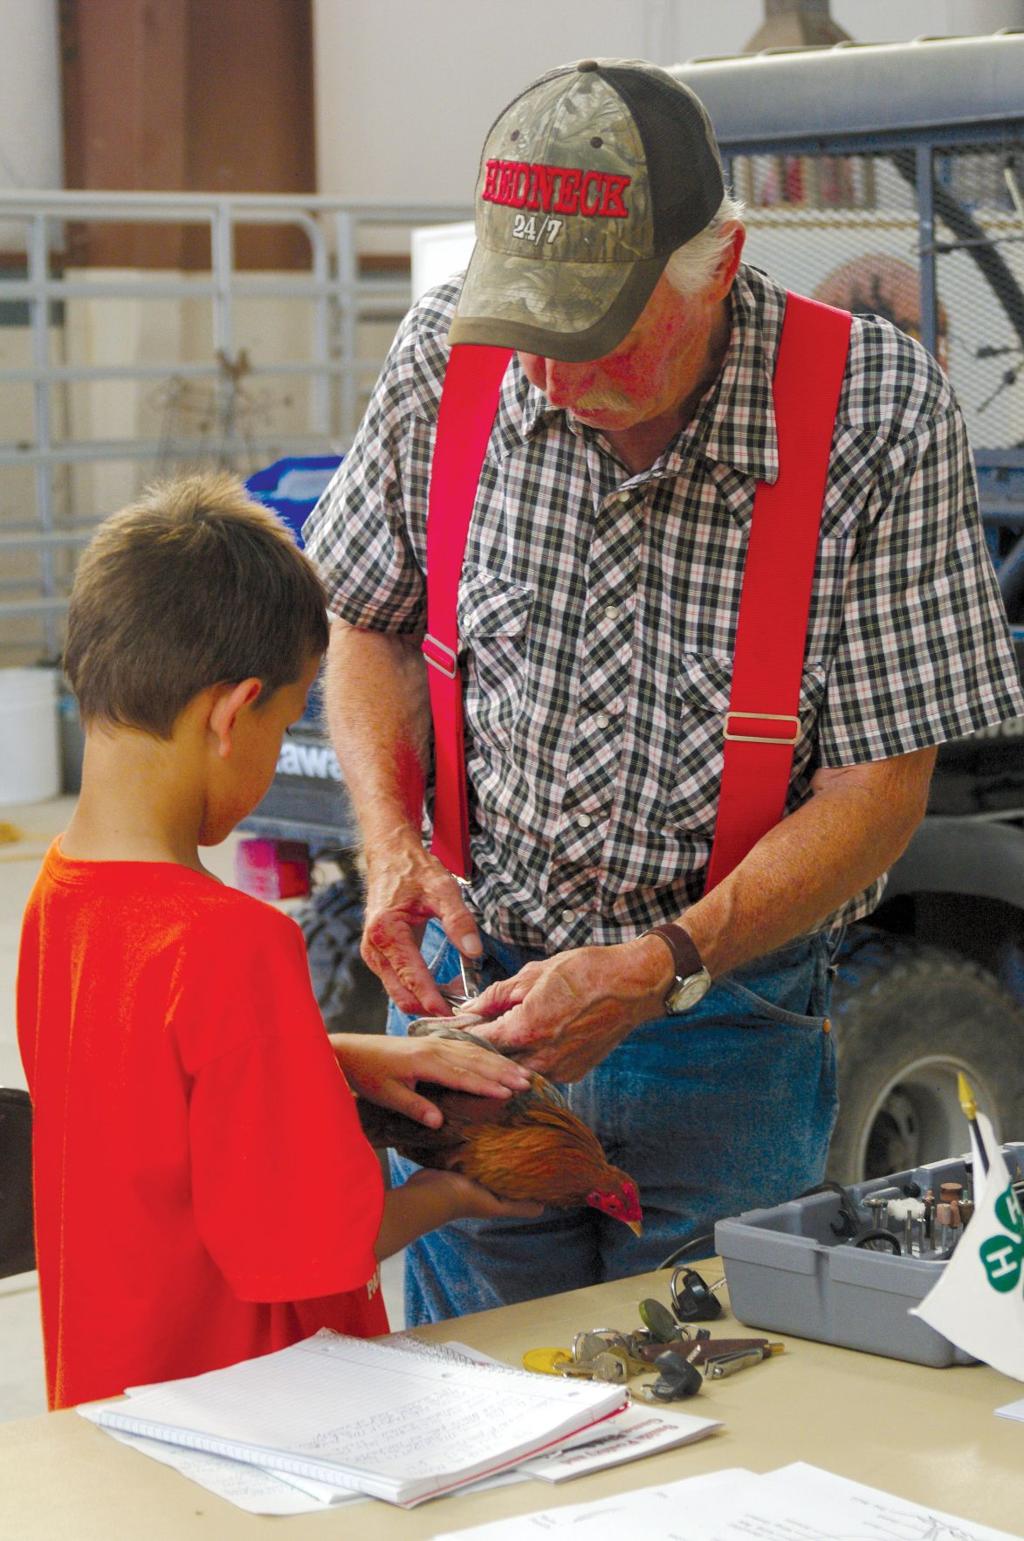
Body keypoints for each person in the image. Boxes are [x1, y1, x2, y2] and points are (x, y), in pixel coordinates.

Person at [303, 59, 1024, 1324]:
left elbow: (880, 787)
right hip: (481, 1014)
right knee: (476, 1406)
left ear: (721, 262)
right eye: (526, 332)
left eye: (594, 336)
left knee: (716, 1402)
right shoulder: (449, 356)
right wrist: (391, 842)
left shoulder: (874, 413)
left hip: (729, 1021)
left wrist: (660, 961)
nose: (547, 376)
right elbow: (365, 617)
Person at [16, 472, 537, 1410]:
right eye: (288, 718)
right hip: (259, 1421)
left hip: (119, 1401)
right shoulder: (231, 943)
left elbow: (145, 1095)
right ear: (231, 713)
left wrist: (323, 1057)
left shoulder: (58, 896)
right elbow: (306, 1247)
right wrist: (458, 1198)